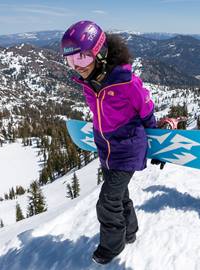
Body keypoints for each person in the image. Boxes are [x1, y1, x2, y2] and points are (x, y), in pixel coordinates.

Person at [61, 20, 162, 265]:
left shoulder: (127, 82)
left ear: (101, 53)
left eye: (82, 58)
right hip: (106, 150)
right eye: (71, 61)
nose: (78, 67)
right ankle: (130, 232)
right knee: (120, 196)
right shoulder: (89, 83)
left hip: (128, 149)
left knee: (107, 201)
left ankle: (112, 246)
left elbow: (146, 110)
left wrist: (157, 142)